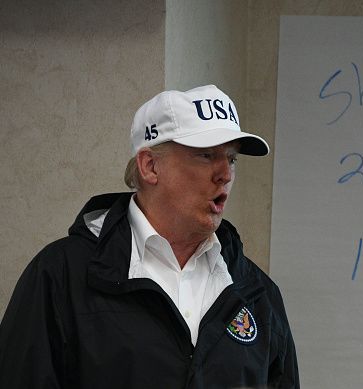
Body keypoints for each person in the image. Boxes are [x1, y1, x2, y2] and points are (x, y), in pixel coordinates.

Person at [0, 85, 299, 388]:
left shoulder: (259, 294)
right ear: (150, 166)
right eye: (206, 155)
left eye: (232, 158)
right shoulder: (60, 275)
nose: (226, 173)